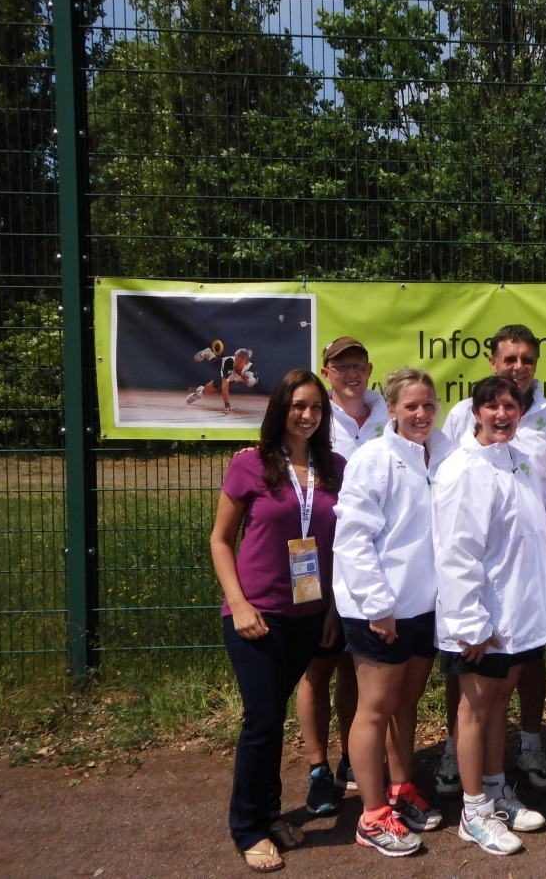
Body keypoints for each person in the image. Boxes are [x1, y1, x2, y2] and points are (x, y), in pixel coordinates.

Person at [209, 369, 346, 873]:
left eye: (316, 407)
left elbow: (343, 546)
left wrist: (331, 609)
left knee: (271, 719)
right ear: (281, 409)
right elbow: (220, 540)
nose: (308, 415)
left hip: (311, 616)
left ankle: (269, 815)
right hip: (258, 616)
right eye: (298, 406)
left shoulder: (335, 468)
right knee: (263, 720)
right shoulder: (250, 464)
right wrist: (239, 604)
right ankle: (248, 828)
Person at [438, 325, 546, 798]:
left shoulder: (531, 446)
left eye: (511, 407)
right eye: (492, 406)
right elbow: (457, 548)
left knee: (497, 701)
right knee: (478, 703)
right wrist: (469, 619)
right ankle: (473, 796)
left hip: (522, 594)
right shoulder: (464, 461)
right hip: (483, 605)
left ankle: (498, 787)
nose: (502, 413)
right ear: (474, 413)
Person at [332, 367, 453, 857]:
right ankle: (371, 815)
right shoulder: (373, 460)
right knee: (375, 710)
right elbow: (352, 538)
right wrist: (378, 605)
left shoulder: (445, 454)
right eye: (411, 406)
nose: (421, 414)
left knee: (406, 704)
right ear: (392, 409)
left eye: (428, 405)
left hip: (425, 607)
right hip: (379, 610)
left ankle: (401, 790)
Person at [297, 337, 390, 816]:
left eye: (358, 365)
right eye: (341, 366)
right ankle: (318, 769)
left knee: (358, 666)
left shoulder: (388, 416)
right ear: (327, 370)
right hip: (319, 553)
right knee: (319, 666)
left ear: (369, 369)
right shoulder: (315, 416)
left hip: (374, 560)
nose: (351, 373)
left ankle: (353, 760)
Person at [187, 346, 258, 412]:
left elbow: (250, 383)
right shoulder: (229, 362)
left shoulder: (250, 370)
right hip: (224, 365)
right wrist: (227, 404)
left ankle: (198, 394)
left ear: (246, 363)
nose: (237, 363)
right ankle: (206, 352)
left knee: (213, 386)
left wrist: (245, 379)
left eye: (241, 361)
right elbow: (224, 386)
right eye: (236, 359)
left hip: (234, 377)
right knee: (212, 360)